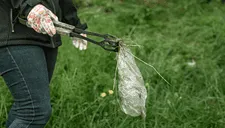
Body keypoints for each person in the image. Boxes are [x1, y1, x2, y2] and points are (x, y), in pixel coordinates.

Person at [0, 0, 87, 127]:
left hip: (47, 34)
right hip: (14, 33)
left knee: (26, 108)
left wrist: (73, 24)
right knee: (35, 112)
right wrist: (28, 5)